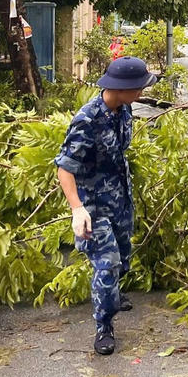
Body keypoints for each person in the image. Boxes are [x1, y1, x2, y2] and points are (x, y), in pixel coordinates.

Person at [55, 56, 155, 355]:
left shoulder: (124, 110)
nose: (141, 93)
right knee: (107, 262)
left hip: (120, 198)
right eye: (138, 88)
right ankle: (104, 327)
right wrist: (76, 208)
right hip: (93, 205)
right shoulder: (87, 120)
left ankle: (113, 293)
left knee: (123, 257)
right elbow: (64, 168)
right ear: (122, 88)